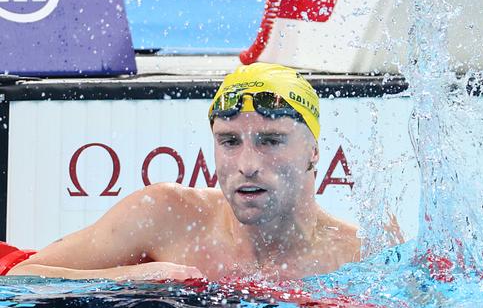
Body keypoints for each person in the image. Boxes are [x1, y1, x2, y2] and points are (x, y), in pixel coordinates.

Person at [8, 63, 398, 281]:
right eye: (230, 142)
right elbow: (20, 279)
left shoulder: (361, 253)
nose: (247, 164)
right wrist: (129, 280)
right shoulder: (166, 214)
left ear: (313, 153)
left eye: (270, 141)